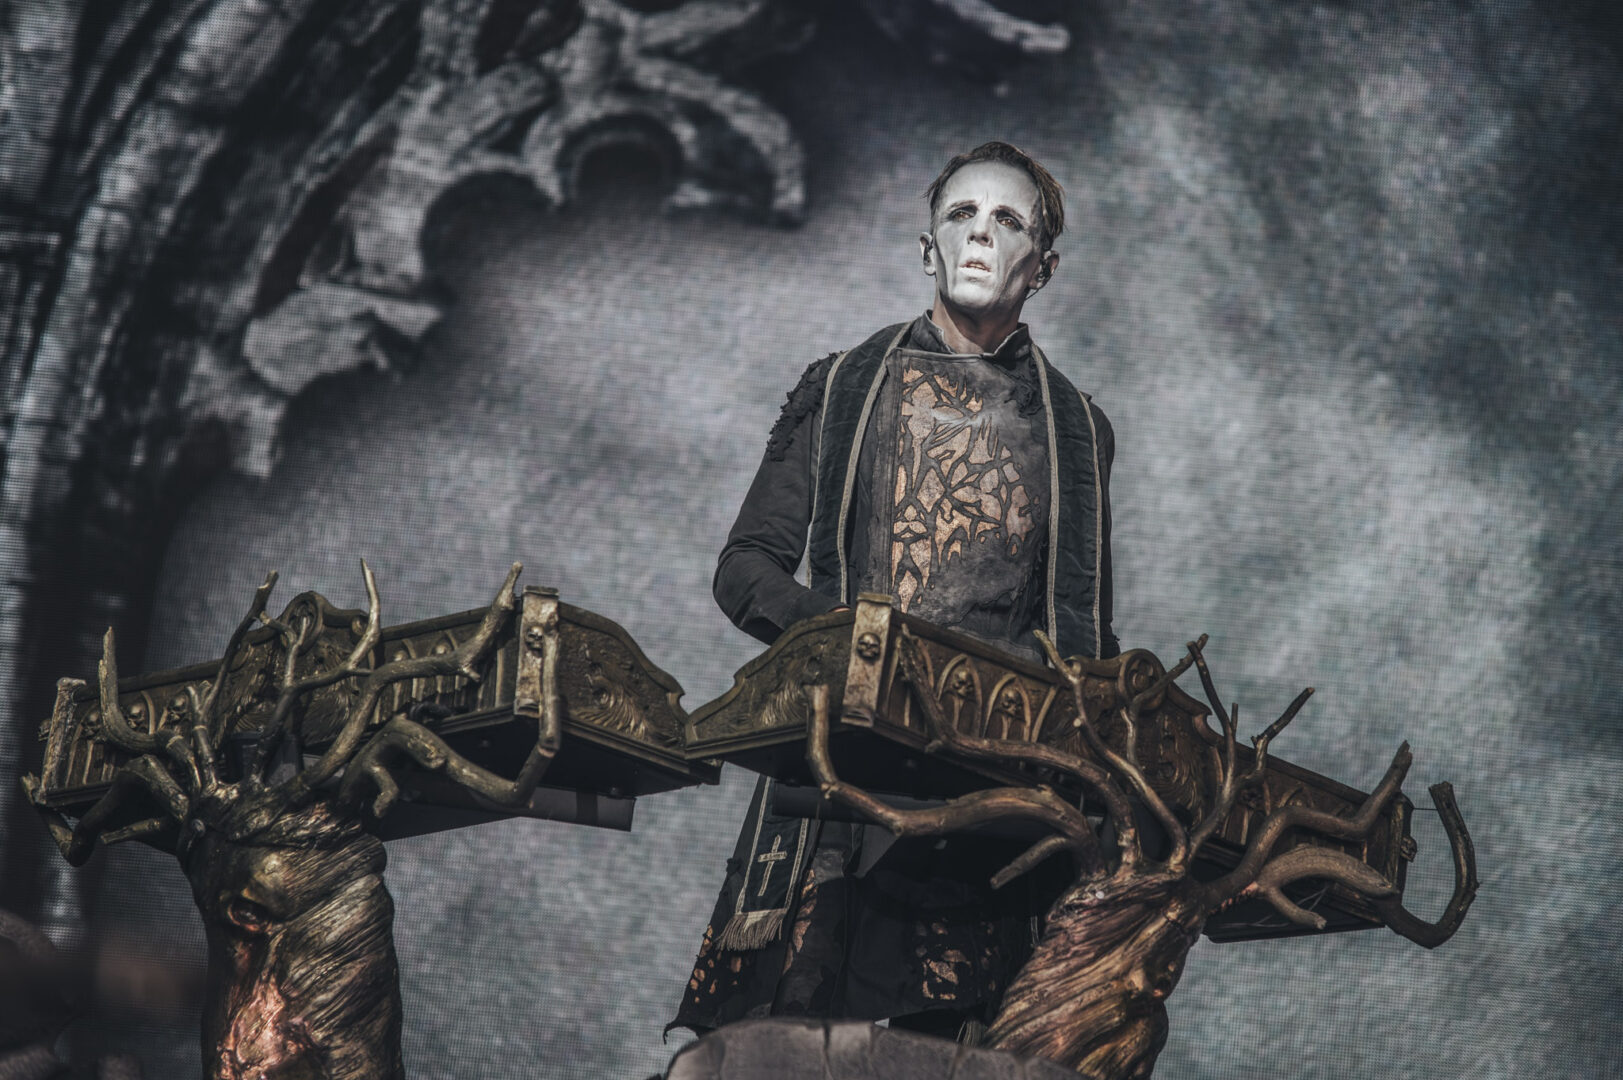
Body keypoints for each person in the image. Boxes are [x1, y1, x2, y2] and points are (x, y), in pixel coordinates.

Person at [672, 142, 1118, 1042]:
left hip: (985, 800)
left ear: (1043, 267)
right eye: (960, 215)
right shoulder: (842, 386)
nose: (980, 236)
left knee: (954, 1053)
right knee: (781, 1049)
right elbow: (746, 567)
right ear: (926, 248)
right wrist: (846, 640)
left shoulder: (1077, 429)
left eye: (1008, 220)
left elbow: (1082, 636)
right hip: (838, 771)